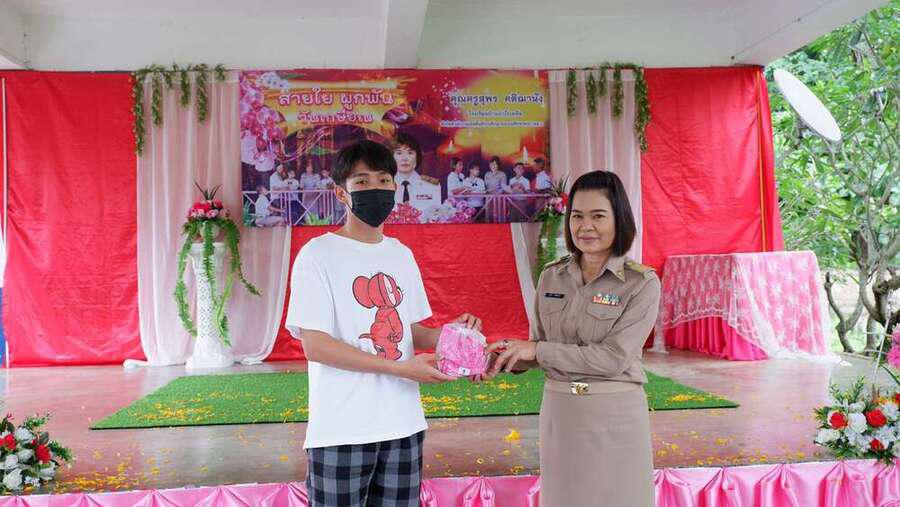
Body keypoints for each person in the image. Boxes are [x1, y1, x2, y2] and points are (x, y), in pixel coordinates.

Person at [285, 140, 483, 506]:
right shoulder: (317, 255)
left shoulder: (400, 254)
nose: (374, 189)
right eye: (361, 182)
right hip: (341, 431)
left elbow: (411, 331)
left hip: (404, 427)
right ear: (340, 193)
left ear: (394, 186)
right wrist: (401, 369)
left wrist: (456, 337)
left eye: (382, 180)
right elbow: (316, 345)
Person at [486, 170, 659, 507]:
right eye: (577, 216)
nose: (585, 226)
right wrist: (505, 356)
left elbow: (612, 358)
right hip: (561, 413)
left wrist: (537, 349)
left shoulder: (641, 283)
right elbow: (540, 346)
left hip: (614, 418)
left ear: (619, 219)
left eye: (598, 216)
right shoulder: (552, 276)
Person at [392, 133, 441, 221]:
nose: (405, 158)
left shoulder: (432, 186)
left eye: (410, 153)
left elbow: (436, 220)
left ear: (417, 157)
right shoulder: (383, 186)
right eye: (399, 153)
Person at [483, 156, 508, 222]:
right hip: (489, 198)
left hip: (499, 198)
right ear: (489, 165)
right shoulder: (487, 174)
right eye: (491, 164)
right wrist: (487, 191)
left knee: (499, 217)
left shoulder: (502, 174)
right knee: (489, 216)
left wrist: (495, 192)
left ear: (498, 165)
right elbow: (485, 187)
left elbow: (503, 188)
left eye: (495, 164)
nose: (493, 166)